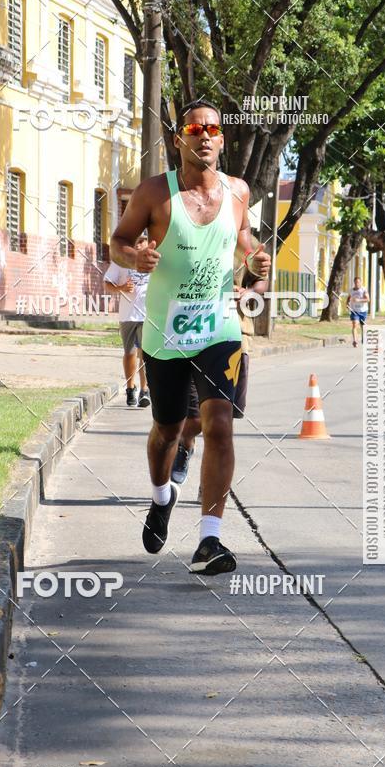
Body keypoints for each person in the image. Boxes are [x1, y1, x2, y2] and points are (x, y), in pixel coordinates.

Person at [110, 99, 271, 575]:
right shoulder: (154, 194)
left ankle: (209, 541)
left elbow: (247, 245)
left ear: (222, 140)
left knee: (220, 423)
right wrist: (133, 258)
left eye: (213, 129)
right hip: (164, 334)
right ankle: (162, 498)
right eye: (194, 128)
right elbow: (118, 240)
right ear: (179, 138)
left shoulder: (237, 191)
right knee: (167, 430)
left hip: (220, 327)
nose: (204, 135)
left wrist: (257, 271)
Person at [172, 266, 264, 492]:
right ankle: (185, 444)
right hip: (194, 335)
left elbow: (261, 282)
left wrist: (247, 291)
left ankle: (208, 484)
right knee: (193, 418)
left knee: (223, 421)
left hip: (235, 336)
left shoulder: (246, 245)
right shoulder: (187, 233)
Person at [104, 234, 151, 407]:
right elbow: (107, 283)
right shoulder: (121, 262)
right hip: (127, 315)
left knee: (145, 354)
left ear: (147, 243)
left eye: (142, 241)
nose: (139, 245)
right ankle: (131, 388)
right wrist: (121, 288)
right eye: (136, 241)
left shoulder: (153, 262)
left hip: (148, 315)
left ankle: (145, 391)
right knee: (130, 353)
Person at [347, 276, 369, 347]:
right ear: (354, 283)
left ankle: (364, 338)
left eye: (358, 282)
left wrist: (359, 300)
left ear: (361, 282)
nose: (357, 284)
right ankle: (355, 340)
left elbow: (367, 299)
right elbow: (349, 298)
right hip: (354, 311)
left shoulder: (363, 290)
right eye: (356, 282)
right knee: (354, 324)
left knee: (363, 326)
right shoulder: (351, 290)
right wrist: (347, 304)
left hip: (363, 311)